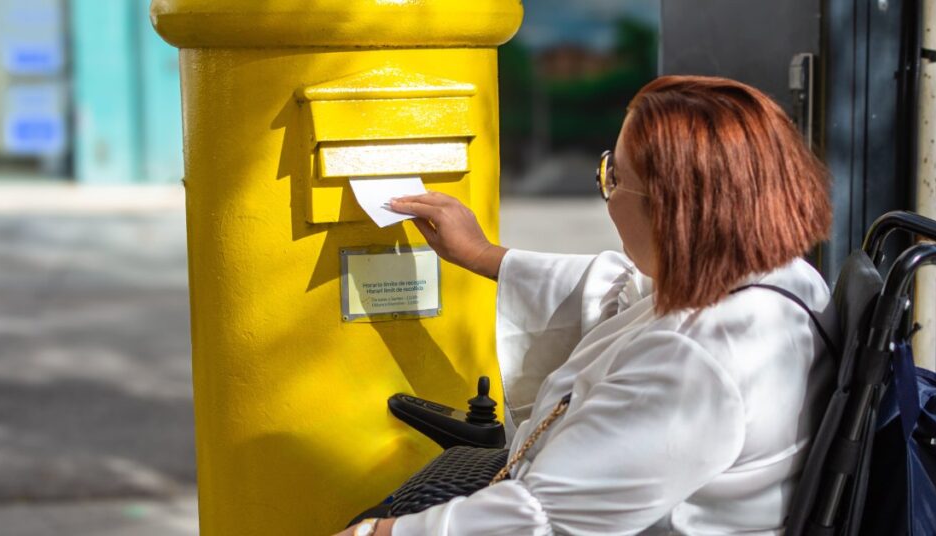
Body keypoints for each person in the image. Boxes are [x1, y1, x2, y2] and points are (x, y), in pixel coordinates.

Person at [339, 75, 836, 536]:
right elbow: (627, 295)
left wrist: (376, 532)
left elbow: (542, 517)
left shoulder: (695, 364)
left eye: (614, 177)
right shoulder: (781, 279)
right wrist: (482, 255)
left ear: (673, 211)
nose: (606, 193)